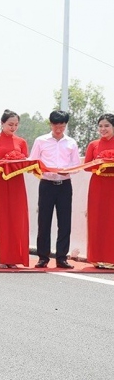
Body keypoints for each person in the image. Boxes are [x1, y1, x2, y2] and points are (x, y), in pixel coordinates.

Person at [29, 110, 81, 269]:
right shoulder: (41, 141)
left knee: (64, 222)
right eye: (56, 126)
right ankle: (43, 257)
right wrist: (44, 170)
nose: (59, 130)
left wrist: (67, 170)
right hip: (46, 184)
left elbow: (77, 165)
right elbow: (32, 163)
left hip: (64, 184)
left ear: (66, 125)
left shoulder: (71, 142)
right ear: (50, 124)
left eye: (62, 126)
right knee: (44, 221)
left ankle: (61, 257)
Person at [0, 110, 31, 268]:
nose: (13, 127)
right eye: (10, 124)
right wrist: (1, 165)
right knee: (1, 219)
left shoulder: (21, 142)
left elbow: (26, 162)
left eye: (16, 125)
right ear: (2, 123)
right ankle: (1, 257)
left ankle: (15, 257)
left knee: (17, 219)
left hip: (17, 183)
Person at [84, 113, 114, 268]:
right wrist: (100, 163)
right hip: (97, 186)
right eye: (101, 126)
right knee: (98, 220)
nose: (103, 129)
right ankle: (98, 258)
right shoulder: (93, 145)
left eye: (107, 126)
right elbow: (86, 166)